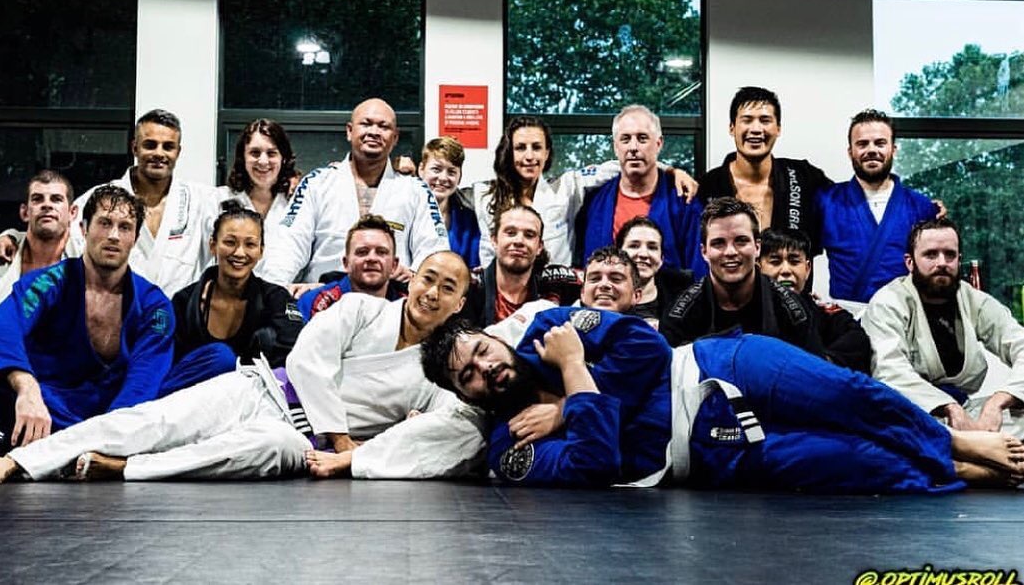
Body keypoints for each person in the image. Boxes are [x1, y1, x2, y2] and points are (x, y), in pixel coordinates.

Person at [0, 252, 485, 484]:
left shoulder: (443, 372)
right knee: (157, 421)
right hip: (265, 391)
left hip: (303, 444)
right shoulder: (360, 308)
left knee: (240, 452)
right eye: (428, 279)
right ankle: (26, 461)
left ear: (460, 304)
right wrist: (347, 438)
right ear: (412, 279)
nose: (432, 293)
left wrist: (351, 451)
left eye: (447, 288)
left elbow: (446, 427)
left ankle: (128, 469)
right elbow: (307, 360)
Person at [421, 306, 1024, 490]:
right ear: (463, 394)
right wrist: (577, 379)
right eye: (466, 375)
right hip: (707, 446)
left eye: (478, 349)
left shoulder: (550, 329)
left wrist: (571, 408)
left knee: (848, 396)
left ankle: (959, 442)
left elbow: (647, 349)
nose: (484, 368)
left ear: (488, 337)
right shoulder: (508, 448)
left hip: (720, 363)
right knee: (848, 463)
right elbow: (593, 464)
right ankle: (962, 466)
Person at [0, 185, 175, 457]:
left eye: (125, 227)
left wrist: (111, 429)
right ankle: (79, 448)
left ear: (135, 238)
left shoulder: (154, 304)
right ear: (84, 228)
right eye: (105, 223)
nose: (114, 235)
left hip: (120, 407)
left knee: (214, 360)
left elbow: (143, 381)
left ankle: (57, 447)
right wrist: (27, 387)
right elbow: (0, 328)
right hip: (55, 402)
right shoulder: (49, 282)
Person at [0, 110, 215, 297]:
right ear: (134, 148)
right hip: (113, 322)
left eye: (168, 146)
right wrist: (14, 237)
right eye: (150, 145)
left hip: (177, 331)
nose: (159, 153)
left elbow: (245, 219)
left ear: (179, 151)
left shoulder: (201, 200)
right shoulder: (99, 198)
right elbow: (56, 235)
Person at [258, 98, 449, 290]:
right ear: (350, 131)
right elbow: (288, 246)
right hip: (323, 300)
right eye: (366, 124)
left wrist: (416, 275)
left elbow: (435, 251)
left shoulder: (416, 190)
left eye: (383, 126)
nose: (373, 132)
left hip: (391, 303)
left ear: (395, 137)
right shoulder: (317, 183)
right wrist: (275, 292)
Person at [862, 218, 1024, 439]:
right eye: (931, 254)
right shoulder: (888, 303)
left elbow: (1019, 343)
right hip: (910, 414)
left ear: (959, 260)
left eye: (950, 254)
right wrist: (948, 407)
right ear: (910, 262)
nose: (942, 262)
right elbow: (889, 370)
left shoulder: (972, 299)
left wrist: (998, 401)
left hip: (966, 410)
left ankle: (991, 457)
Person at [475, 115, 696, 268]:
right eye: (521, 148)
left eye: (537, 147)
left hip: (556, 291)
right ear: (509, 152)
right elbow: (487, 256)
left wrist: (671, 170)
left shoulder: (566, 187)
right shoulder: (487, 196)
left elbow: (623, 162)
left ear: (547, 152)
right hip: (506, 288)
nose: (529, 156)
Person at [0, 171, 81, 459]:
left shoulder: (84, 267)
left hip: (58, 384)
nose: (46, 205)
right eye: (37, 199)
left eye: (56, 199)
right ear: (24, 211)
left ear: (72, 212)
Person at [167, 202, 304, 395]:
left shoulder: (277, 300)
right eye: (230, 242)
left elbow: (296, 358)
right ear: (213, 245)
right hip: (188, 400)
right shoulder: (184, 302)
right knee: (221, 358)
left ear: (261, 251)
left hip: (253, 402)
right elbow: (168, 364)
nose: (239, 253)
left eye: (250, 244)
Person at [660, 197, 824, 357]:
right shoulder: (679, 317)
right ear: (704, 252)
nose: (730, 252)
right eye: (719, 243)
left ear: (757, 247)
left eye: (741, 241)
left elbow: (815, 378)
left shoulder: (793, 313)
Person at [817, 109, 938, 304]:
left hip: (905, 314)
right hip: (847, 318)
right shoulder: (827, 201)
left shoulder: (921, 206)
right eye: (862, 144)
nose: (872, 150)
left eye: (880, 143)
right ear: (850, 152)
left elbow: (932, 267)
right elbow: (799, 255)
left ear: (893, 150)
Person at [575, 105, 707, 277]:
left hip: (670, 302)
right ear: (616, 147)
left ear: (659, 144)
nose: (633, 147)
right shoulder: (595, 201)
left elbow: (698, 271)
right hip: (604, 302)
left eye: (642, 138)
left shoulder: (683, 200)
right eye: (625, 139)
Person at [698, 86, 831, 254]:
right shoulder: (707, 186)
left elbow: (848, 207)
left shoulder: (805, 178)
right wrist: (671, 170)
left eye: (765, 120)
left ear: (778, 129)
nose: (756, 129)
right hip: (728, 280)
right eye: (747, 120)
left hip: (789, 280)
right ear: (732, 128)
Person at [758, 228, 871, 373]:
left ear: (807, 268)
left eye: (794, 261)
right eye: (775, 261)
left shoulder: (829, 315)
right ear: (759, 267)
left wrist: (820, 366)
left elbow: (858, 342)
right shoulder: (748, 310)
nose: (786, 270)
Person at [462, 205, 581, 327]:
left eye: (529, 235)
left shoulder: (557, 281)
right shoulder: (469, 286)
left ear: (539, 247)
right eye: (510, 233)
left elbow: (595, 279)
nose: (519, 241)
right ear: (494, 240)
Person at [296, 215, 407, 322]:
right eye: (362, 252)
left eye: (381, 252)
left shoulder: (409, 307)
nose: (372, 258)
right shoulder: (311, 302)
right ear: (346, 263)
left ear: (394, 265)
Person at [215, 118, 298, 239]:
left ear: (284, 158)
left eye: (271, 153)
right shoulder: (220, 200)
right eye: (255, 153)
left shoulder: (296, 202)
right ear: (242, 157)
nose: (263, 161)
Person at [614, 216, 695, 328]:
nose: (643, 254)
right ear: (618, 254)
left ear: (661, 258)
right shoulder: (604, 296)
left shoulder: (685, 296)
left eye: (652, 247)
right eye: (634, 246)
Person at [418, 137, 481, 269]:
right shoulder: (405, 212)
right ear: (421, 169)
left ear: (460, 177)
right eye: (436, 169)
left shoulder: (470, 221)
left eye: (451, 172)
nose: (443, 178)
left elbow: (473, 268)